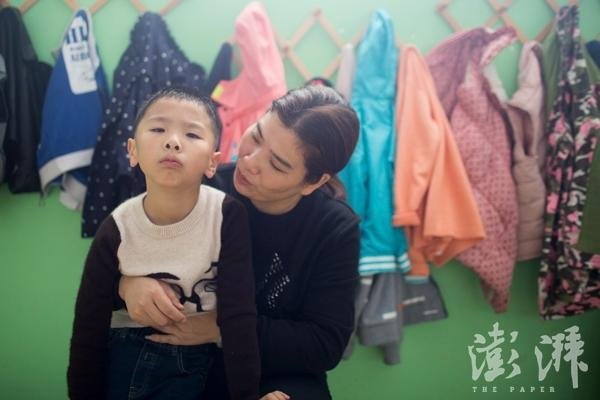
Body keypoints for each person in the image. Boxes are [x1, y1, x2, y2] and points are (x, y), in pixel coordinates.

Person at [118, 85, 361, 400]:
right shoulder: (200, 185)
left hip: (273, 371)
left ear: (314, 181)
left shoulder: (334, 229)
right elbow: (117, 255)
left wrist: (224, 326)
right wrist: (128, 282)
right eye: (257, 136)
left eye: (277, 164)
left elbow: (324, 344)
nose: (250, 161)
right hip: (180, 365)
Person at [67, 87, 280, 400]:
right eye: (157, 129)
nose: (173, 141)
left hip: (204, 354)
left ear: (213, 162)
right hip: (129, 350)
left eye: (192, 135)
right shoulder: (116, 228)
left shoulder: (226, 215)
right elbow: (88, 324)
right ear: (133, 151)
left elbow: (238, 315)